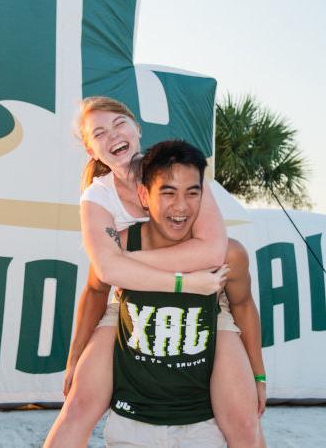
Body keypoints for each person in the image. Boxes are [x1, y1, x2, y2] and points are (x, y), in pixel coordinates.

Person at [44, 97, 265, 447]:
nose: (113, 135)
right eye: (99, 132)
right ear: (90, 149)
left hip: (206, 301)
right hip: (130, 304)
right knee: (77, 407)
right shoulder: (97, 198)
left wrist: (126, 260)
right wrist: (75, 358)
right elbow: (100, 282)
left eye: (119, 124)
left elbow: (212, 250)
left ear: (136, 128)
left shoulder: (176, 169)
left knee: (245, 422)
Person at [102, 139, 259, 447]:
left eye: (192, 192)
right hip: (134, 423)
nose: (181, 206)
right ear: (144, 195)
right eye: (168, 192)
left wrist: (259, 376)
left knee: (248, 427)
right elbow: (94, 292)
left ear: (205, 196)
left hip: (202, 424)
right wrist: (76, 357)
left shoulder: (229, 255)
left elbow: (243, 305)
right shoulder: (119, 245)